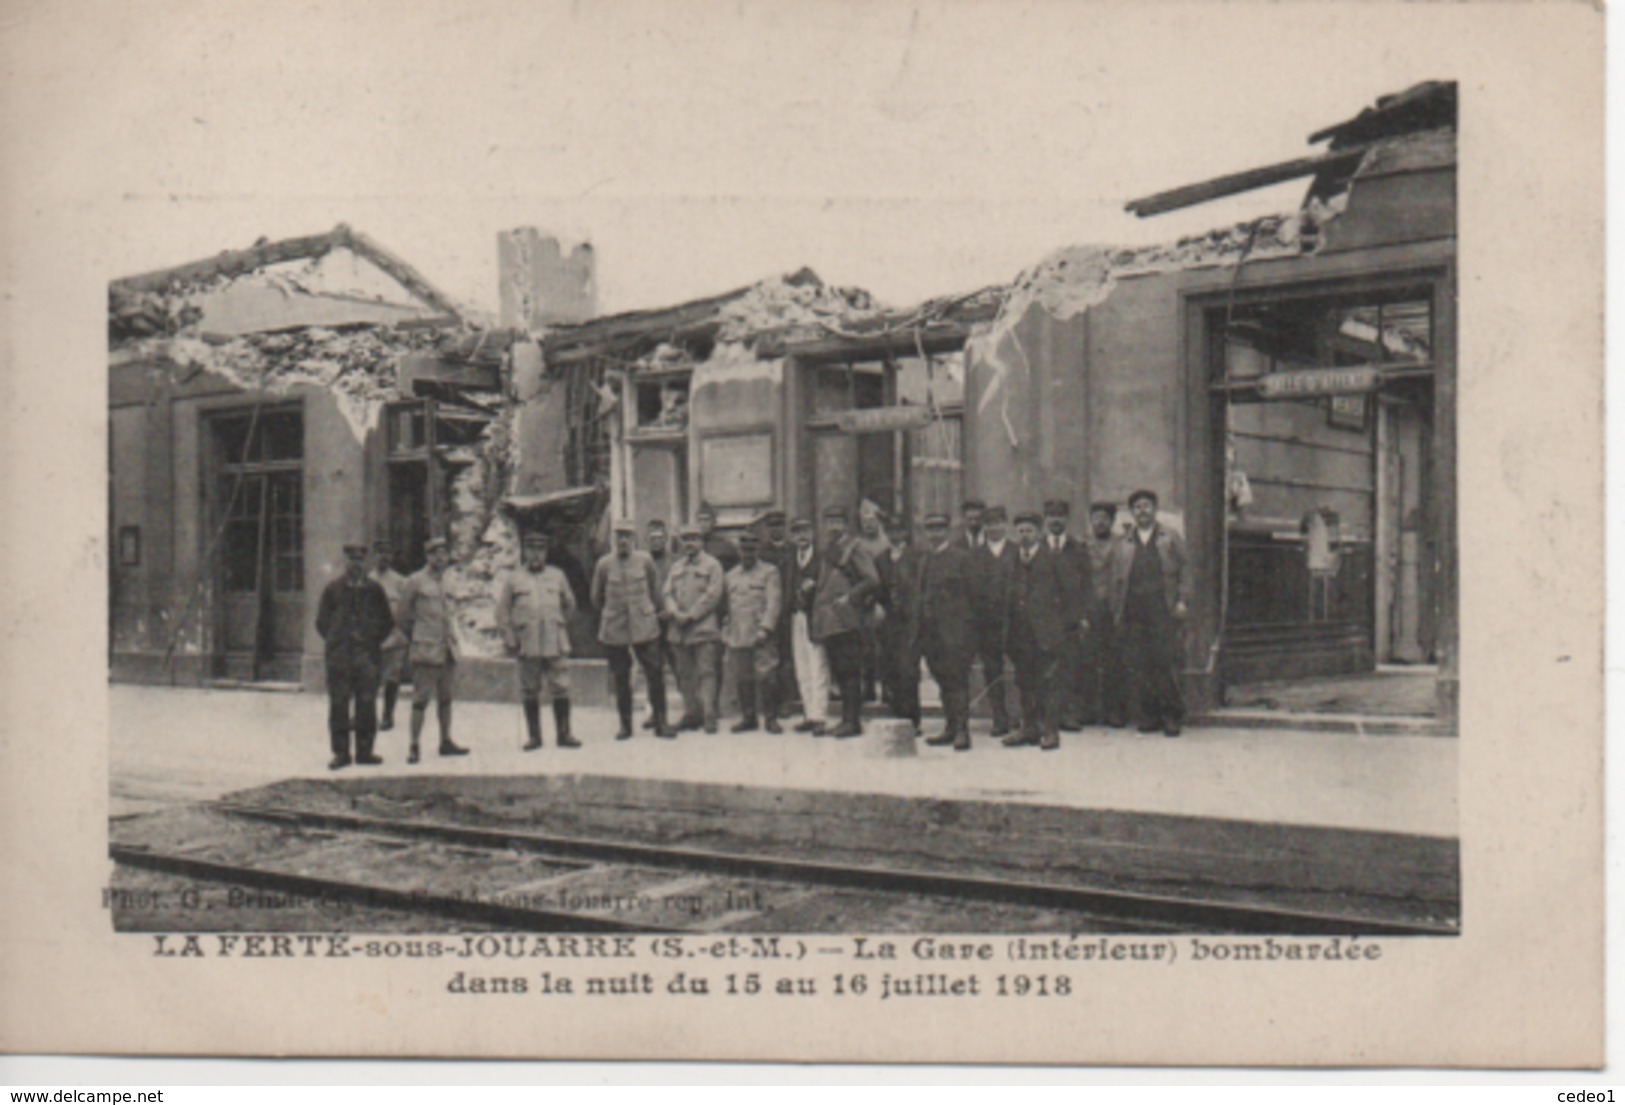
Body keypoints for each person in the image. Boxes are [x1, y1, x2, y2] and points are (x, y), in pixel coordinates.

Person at [1108, 490, 1191, 737]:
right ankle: (1149, 716)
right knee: (1140, 665)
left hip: (1162, 609)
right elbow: (1116, 580)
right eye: (1137, 507)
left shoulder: (1170, 537)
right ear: (1132, 512)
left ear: (1155, 509)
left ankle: (1171, 717)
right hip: (1134, 611)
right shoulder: (1124, 543)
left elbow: (1186, 570)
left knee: (1165, 663)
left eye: (1147, 506)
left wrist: (1182, 601)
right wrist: (1117, 611)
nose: (1142, 511)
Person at [1004, 511, 1088, 751]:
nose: (1024, 536)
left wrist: (1063, 627)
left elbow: (1071, 594)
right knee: (1024, 682)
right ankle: (1029, 728)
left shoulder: (1053, 559)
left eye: (1029, 531)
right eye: (1020, 531)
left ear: (1039, 533)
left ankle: (1050, 731)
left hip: (1046, 634)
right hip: (1019, 633)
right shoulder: (1012, 560)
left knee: (1049, 682)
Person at [496, 531, 579, 751]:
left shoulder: (557, 576)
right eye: (531, 550)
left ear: (546, 552)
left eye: (540, 550)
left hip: (554, 641)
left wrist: (559, 624)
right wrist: (511, 638)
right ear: (524, 551)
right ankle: (534, 737)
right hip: (528, 643)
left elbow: (570, 604)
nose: (536, 555)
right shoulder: (514, 579)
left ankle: (564, 734)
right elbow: (502, 613)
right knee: (530, 689)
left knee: (561, 688)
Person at [315, 543, 394, 770]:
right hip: (340, 658)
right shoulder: (333, 589)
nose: (356, 565)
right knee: (339, 704)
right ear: (345, 563)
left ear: (365, 563)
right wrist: (337, 642)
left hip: (366, 657)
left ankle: (365, 752)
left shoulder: (375, 590)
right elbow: (322, 623)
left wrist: (370, 642)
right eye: (352, 560)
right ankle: (341, 753)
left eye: (360, 561)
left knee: (367, 704)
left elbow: (386, 621)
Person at [592, 519, 674, 740]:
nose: (623, 540)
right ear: (614, 539)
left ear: (634, 539)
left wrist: (659, 612)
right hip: (616, 627)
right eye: (619, 536)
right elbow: (596, 597)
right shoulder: (604, 564)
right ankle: (625, 726)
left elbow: (655, 591)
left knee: (655, 674)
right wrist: (611, 613)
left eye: (627, 536)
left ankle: (661, 722)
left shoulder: (645, 561)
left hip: (644, 626)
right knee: (621, 677)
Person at [811, 506, 880, 738]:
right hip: (829, 619)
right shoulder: (828, 549)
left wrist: (849, 597)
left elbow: (871, 579)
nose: (833, 526)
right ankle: (845, 719)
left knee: (850, 671)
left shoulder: (855, 547)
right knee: (840, 672)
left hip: (847, 618)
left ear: (846, 524)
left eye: (837, 521)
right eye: (829, 521)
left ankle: (852, 721)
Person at [398, 536, 468, 763]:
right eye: (435, 553)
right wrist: (418, 638)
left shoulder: (448, 582)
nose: (440, 558)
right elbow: (403, 617)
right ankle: (413, 745)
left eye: (444, 553)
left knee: (446, 698)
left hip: (447, 649)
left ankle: (445, 741)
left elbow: (451, 613)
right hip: (426, 650)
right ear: (427, 556)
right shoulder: (415, 582)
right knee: (420, 700)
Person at [913, 514, 978, 751]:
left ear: (948, 531)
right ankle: (950, 727)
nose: (934, 534)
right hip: (931, 633)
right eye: (930, 530)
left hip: (955, 633)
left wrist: (967, 633)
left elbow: (974, 598)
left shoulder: (961, 558)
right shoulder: (924, 560)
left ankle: (962, 730)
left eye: (939, 529)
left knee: (957, 680)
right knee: (942, 679)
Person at [663, 522, 726, 733]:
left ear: (701, 541)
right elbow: (667, 593)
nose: (689, 543)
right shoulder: (677, 566)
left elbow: (713, 595)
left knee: (706, 672)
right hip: (678, 631)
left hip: (703, 629)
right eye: (686, 539)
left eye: (693, 539)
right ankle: (692, 713)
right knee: (684, 674)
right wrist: (674, 612)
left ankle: (709, 715)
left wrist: (691, 615)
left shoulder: (712, 565)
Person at [722, 531, 783, 733]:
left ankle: (771, 718)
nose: (747, 554)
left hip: (760, 633)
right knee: (743, 678)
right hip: (738, 634)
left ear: (757, 550)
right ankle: (748, 718)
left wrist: (765, 628)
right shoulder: (730, 576)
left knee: (767, 676)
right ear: (739, 551)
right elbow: (726, 607)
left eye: (751, 549)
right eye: (744, 550)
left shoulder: (769, 572)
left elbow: (774, 603)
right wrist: (726, 632)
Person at [1043, 498, 1092, 732]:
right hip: (1043, 620)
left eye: (1060, 516)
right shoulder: (1038, 547)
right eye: (1051, 516)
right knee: (1044, 667)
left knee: (1070, 667)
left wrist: (1082, 615)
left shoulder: (1078, 549)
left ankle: (1069, 714)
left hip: (1070, 618)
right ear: (1045, 519)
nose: (1055, 520)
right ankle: (1045, 713)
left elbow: (1087, 585)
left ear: (1066, 519)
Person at [971, 506, 1017, 737]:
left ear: (1006, 524)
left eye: (999, 522)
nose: (994, 527)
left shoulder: (1017, 551)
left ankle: (1022, 715)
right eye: (989, 524)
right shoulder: (976, 555)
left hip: (1016, 621)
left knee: (1022, 667)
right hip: (987, 622)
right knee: (992, 668)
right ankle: (999, 716)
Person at [785, 516, 830, 734]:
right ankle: (808, 713)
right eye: (797, 532)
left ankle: (819, 715)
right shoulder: (789, 558)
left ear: (812, 534)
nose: (801, 536)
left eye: (805, 531)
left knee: (818, 665)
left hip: (816, 617)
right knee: (801, 667)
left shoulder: (821, 558)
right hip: (796, 616)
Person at [1083, 502, 1126, 727]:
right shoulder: (1083, 545)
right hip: (1090, 609)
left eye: (1105, 518)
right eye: (1096, 518)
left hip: (1114, 608)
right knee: (1087, 660)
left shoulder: (1121, 544)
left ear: (1112, 521)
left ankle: (1114, 711)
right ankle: (1088, 710)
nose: (1100, 522)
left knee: (1114, 662)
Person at [878, 513, 920, 731]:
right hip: (889, 620)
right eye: (890, 531)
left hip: (909, 621)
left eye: (898, 531)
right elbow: (877, 588)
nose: (894, 535)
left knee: (908, 669)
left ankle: (912, 718)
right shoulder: (881, 559)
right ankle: (896, 714)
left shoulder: (916, 556)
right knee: (891, 667)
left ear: (905, 533)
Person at [756, 509, 799, 719]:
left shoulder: (793, 550)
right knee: (770, 658)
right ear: (767, 529)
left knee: (789, 657)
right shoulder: (761, 552)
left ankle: (787, 701)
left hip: (791, 610)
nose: (776, 530)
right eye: (772, 526)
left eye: (780, 526)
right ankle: (771, 702)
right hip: (770, 612)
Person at [642, 518, 678, 730]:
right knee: (652, 670)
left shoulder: (674, 562)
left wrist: (670, 610)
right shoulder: (642, 563)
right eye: (652, 539)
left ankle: (690, 710)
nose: (656, 542)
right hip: (650, 622)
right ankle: (653, 713)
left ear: (666, 539)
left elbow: (679, 590)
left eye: (660, 538)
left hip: (672, 621)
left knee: (678, 666)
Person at [369, 538, 409, 731]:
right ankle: (368, 715)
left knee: (391, 678)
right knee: (369, 678)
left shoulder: (400, 582)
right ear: (373, 555)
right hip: (371, 638)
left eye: (387, 553)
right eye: (380, 552)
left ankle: (387, 716)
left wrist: (401, 631)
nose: (384, 557)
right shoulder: (367, 579)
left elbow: (406, 610)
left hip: (393, 637)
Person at [696, 503, 740, 573]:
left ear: (713, 522)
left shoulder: (724, 546)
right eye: (700, 520)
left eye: (706, 520)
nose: (703, 524)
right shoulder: (693, 545)